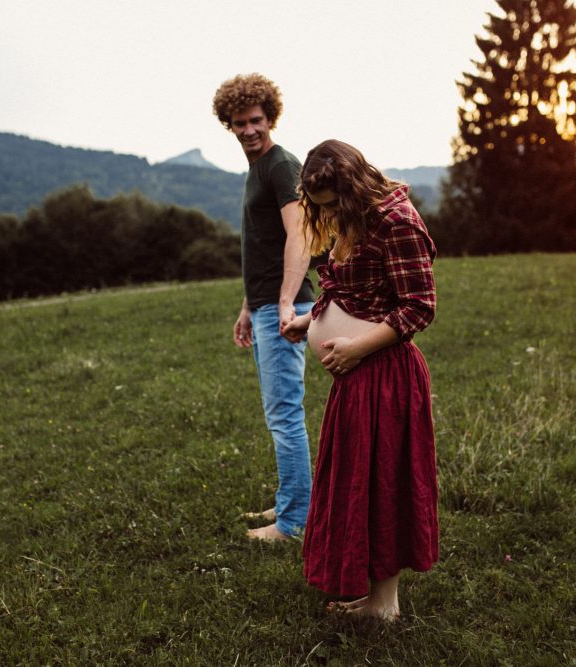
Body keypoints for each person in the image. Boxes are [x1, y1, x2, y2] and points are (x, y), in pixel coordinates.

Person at [282, 139, 439, 621]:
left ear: (353, 186)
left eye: (334, 204)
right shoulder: (357, 218)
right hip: (355, 377)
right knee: (359, 483)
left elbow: (418, 307)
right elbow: (350, 291)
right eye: (321, 206)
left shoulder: (398, 222)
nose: (329, 213)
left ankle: (385, 603)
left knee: (384, 485)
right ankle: (375, 596)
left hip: (384, 375)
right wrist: (309, 323)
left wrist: (355, 347)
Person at [211, 73, 315, 541]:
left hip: (285, 307)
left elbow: (299, 235)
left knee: (285, 414)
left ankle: (294, 521)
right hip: (267, 305)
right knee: (280, 413)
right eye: (239, 123)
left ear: (270, 117)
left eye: (256, 120)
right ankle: (289, 504)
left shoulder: (280, 166)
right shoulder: (257, 169)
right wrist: (248, 306)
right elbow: (264, 245)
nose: (249, 129)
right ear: (228, 125)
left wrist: (285, 301)